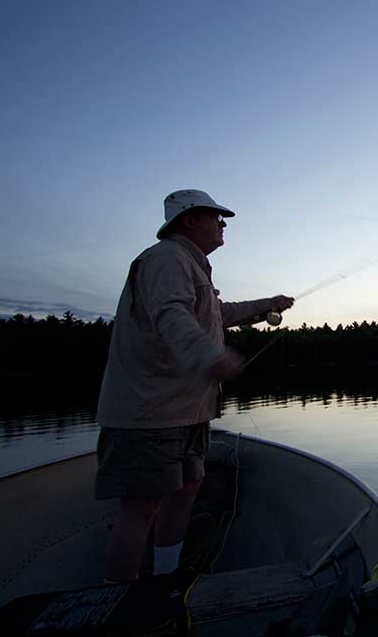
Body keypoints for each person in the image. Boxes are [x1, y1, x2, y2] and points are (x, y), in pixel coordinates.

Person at [95, 189, 294, 582]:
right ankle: (117, 602)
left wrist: (266, 304)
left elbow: (216, 313)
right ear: (189, 220)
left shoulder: (191, 265)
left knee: (189, 486)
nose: (223, 224)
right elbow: (171, 315)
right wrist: (209, 357)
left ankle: (166, 578)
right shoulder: (166, 258)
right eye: (216, 217)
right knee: (141, 507)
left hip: (187, 410)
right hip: (148, 411)